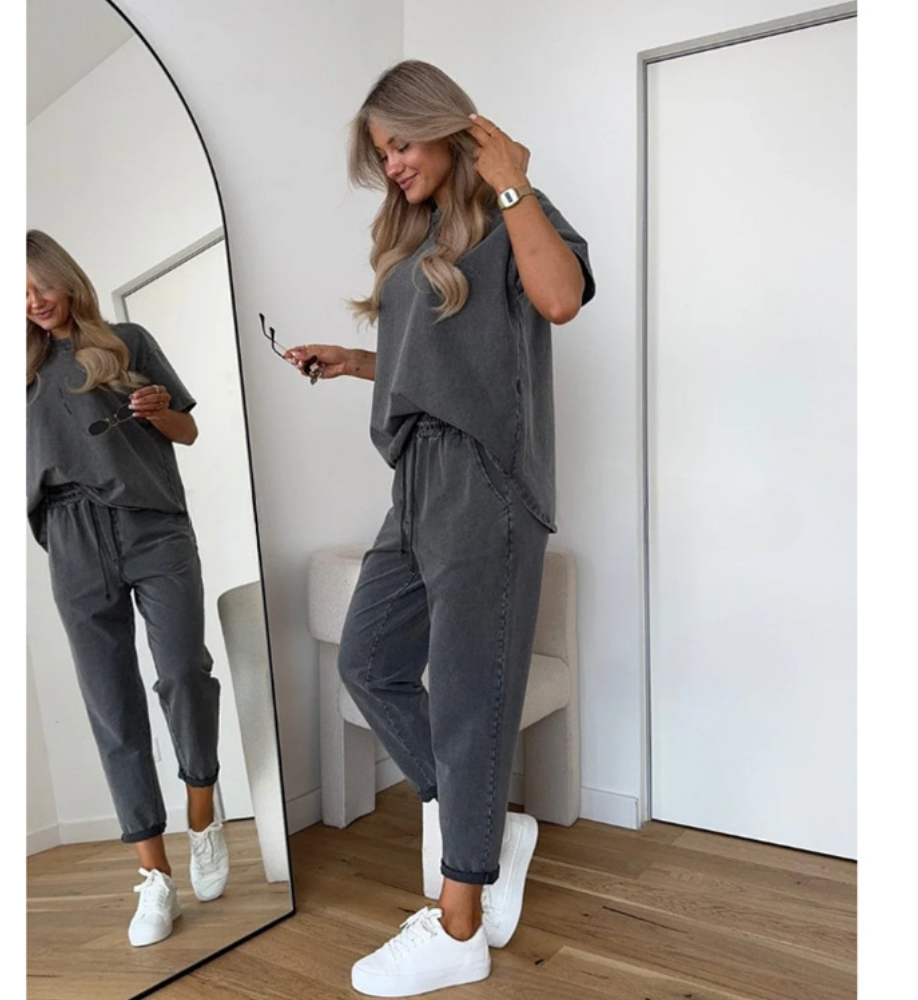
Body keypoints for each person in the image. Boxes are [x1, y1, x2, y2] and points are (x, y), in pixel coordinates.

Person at [284, 61, 595, 996]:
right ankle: (486, 825)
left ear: (444, 127)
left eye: (401, 145)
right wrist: (356, 364)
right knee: (368, 661)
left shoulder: (512, 209)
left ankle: (459, 929)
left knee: (466, 698)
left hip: (484, 479)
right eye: (381, 155)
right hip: (415, 480)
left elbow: (560, 299)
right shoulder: (415, 236)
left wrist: (514, 181)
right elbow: (436, 359)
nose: (392, 167)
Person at [26, 229, 230, 948]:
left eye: (41, 285)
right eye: (18, 295)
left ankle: (201, 812)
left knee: (183, 672)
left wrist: (156, 410)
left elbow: (188, 430)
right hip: (71, 537)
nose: (34, 301)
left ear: (66, 278)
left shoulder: (127, 341)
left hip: (151, 525)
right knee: (110, 704)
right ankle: (154, 874)